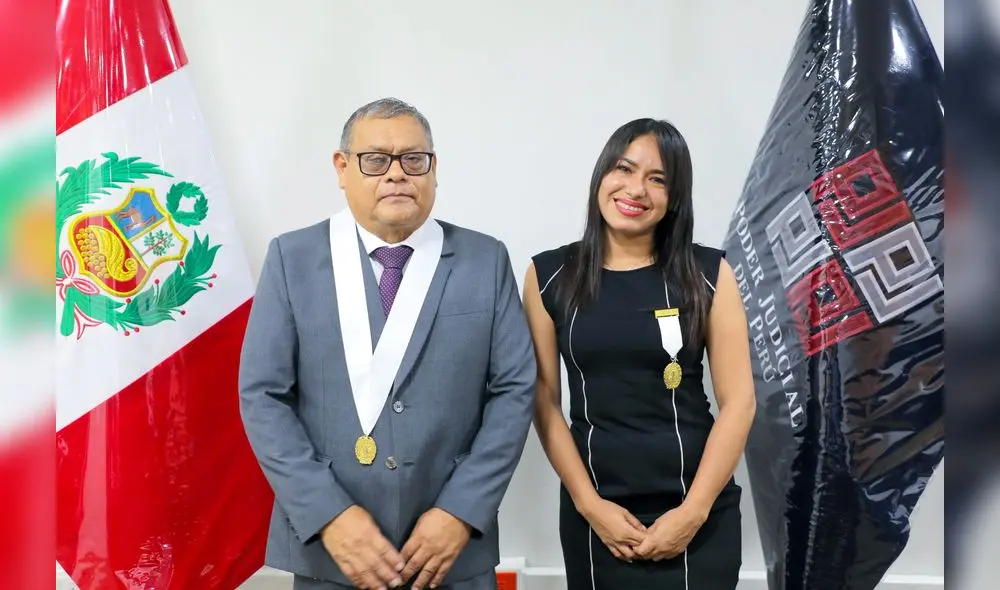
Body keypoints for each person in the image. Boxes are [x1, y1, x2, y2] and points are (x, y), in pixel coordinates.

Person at [238, 97, 536, 590]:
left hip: (451, 552)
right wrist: (328, 514)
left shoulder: (485, 259)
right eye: (375, 160)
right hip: (335, 552)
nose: (396, 174)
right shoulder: (293, 259)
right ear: (342, 167)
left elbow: (515, 391)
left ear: (433, 168)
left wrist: (461, 511)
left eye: (412, 160)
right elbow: (262, 396)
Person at [523, 118, 756, 589]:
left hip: (697, 508)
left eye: (658, 179)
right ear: (601, 176)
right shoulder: (548, 275)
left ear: (674, 198)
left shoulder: (709, 272)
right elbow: (542, 401)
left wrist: (693, 513)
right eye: (624, 169)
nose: (636, 189)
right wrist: (590, 506)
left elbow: (740, 403)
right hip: (598, 511)